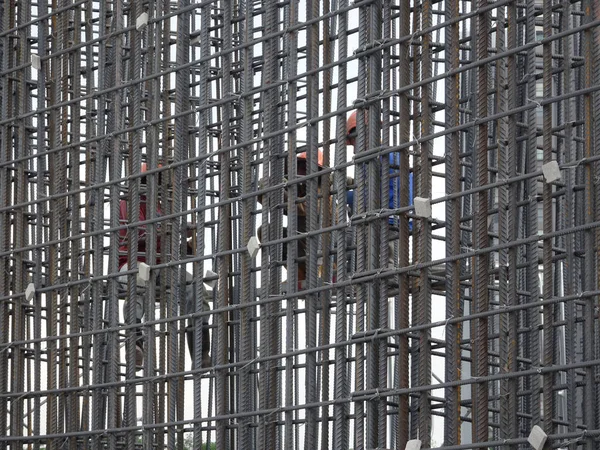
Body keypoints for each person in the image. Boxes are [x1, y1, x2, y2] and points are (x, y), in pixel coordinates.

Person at [117, 162, 211, 369]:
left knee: (195, 287)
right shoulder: (129, 202)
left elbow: (167, 245)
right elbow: (140, 232)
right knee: (139, 284)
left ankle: (200, 349)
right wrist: (173, 228)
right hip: (133, 264)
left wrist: (186, 243)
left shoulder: (161, 207)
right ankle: (135, 343)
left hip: (161, 267)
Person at [345, 110, 413, 273]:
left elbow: (371, 194)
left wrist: (347, 194)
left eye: (353, 141)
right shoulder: (380, 157)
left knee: (384, 266)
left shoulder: (383, 157)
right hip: (387, 218)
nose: (353, 148)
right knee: (377, 264)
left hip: (388, 219)